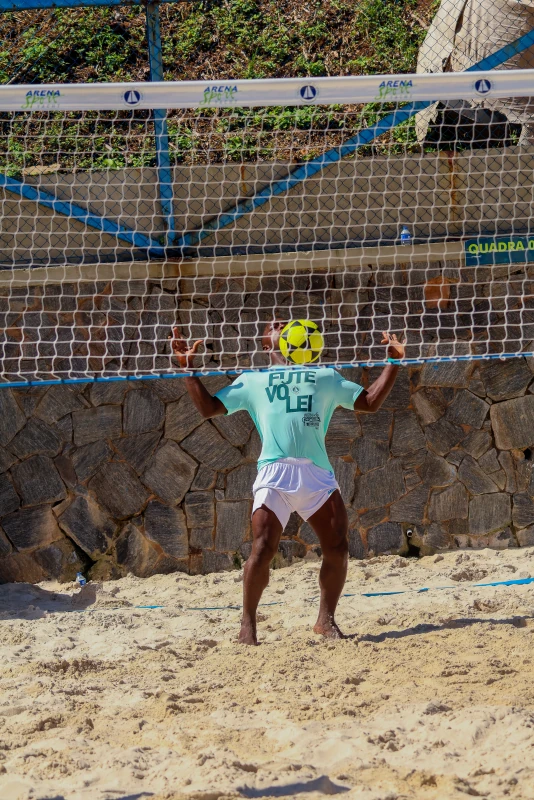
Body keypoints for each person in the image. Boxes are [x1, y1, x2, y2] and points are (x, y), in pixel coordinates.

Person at [171, 322, 405, 645]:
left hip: (316, 473)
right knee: (262, 549)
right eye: (273, 326)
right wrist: (187, 369)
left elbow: (370, 401)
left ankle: (326, 622)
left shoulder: (324, 377)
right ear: (267, 345)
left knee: (338, 548)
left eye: (284, 323)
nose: (281, 325)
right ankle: (248, 627)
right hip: (275, 473)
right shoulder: (254, 381)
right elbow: (209, 408)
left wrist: (393, 362)